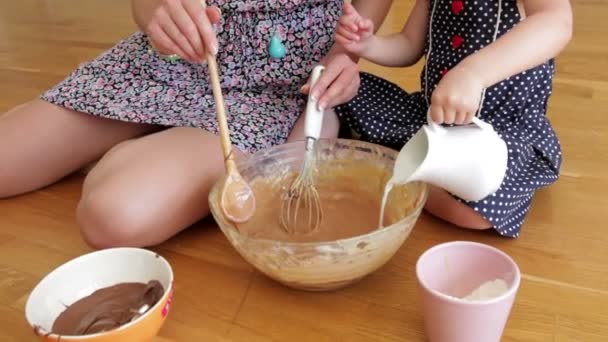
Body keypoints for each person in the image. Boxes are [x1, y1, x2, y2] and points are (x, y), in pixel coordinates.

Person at [0, 0, 393, 248]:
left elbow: (356, 30)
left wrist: (345, 59)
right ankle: (160, 140)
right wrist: (155, 11)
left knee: (112, 215)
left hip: (275, 88)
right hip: (164, 62)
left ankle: (157, 149)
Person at [333, 0, 573, 237]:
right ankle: (414, 164)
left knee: (475, 212)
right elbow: (409, 45)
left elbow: (555, 22)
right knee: (345, 90)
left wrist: (472, 74)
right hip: (433, 118)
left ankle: (397, 170)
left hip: (500, 132)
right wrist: (369, 44)